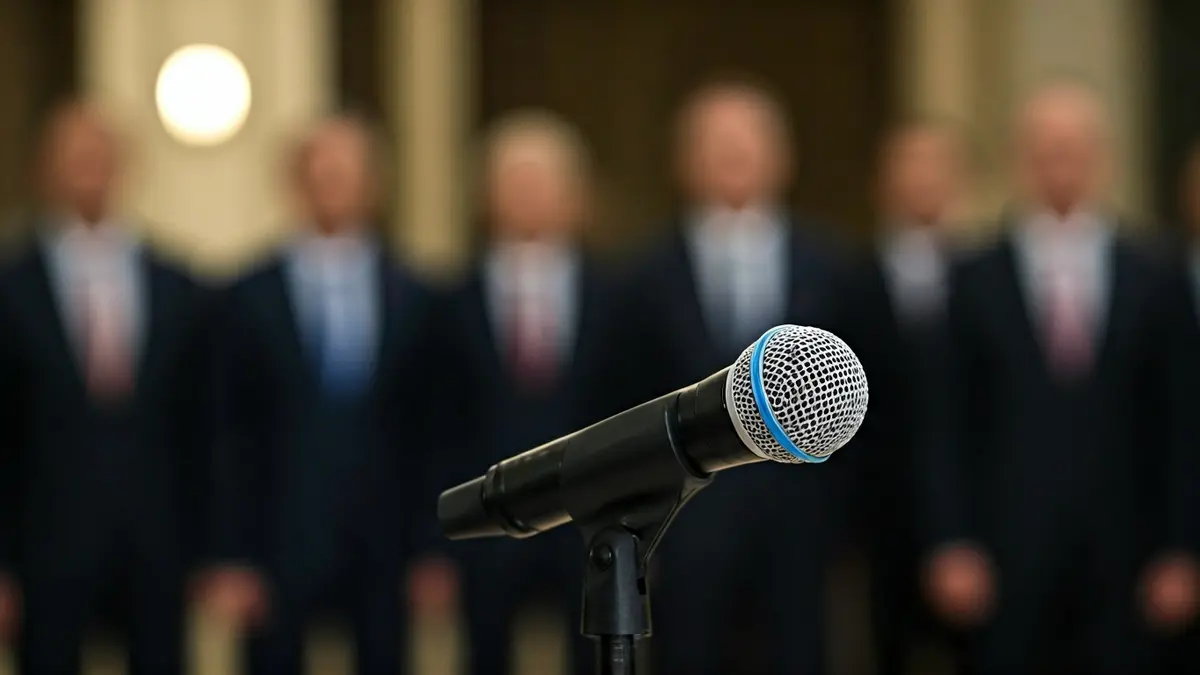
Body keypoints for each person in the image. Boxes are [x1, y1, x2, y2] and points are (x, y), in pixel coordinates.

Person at [920, 81, 1198, 674]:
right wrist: (951, 543)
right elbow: (945, 423)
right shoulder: (971, 279)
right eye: (1047, 149)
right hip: (1004, 553)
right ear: (1021, 159)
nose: (1061, 164)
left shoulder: (1155, 274)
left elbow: (1179, 421)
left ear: (1103, 157)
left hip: (1128, 556)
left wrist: (1183, 548)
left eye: (1075, 148)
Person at [602, 76, 845, 675]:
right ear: (683, 161)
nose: (735, 154)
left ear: (784, 156)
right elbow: (620, 407)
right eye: (717, 141)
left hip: (799, 529)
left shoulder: (835, 268)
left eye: (749, 139)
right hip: (687, 532)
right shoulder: (639, 279)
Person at [202, 113, 441, 675]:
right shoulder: (243, 298)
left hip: (387, 543)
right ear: (294, 182)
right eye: (320, 172)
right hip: (276, 541)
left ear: (373, 185)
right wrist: (229, 555)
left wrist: (436, 548)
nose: (333, 186)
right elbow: (224, 434)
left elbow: (432, 432)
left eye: (347, 173)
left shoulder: (418, 295)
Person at [0, 101, 213, 675]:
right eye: (74, 155)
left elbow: (202, 429)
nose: (89, 167)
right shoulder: (10, 285)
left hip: (158, 547)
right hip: (44, 549)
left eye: (101, 155)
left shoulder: (178, 284)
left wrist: (213, 550)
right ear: (43, 167)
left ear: (125, 166)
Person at [426, 109, 611, 675]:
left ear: (575, 194)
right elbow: (432, 429)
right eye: (514, 180)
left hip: (591, 525)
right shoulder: (446, 303)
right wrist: (435, 545)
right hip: (486, 526)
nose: (529, 194)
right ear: (486, 194)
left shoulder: (620, 297)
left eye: (543, 181)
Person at [838, 118, 969, 675]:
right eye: (907, 166)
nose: (922, 180)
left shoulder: (990, 281)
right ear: (880, 181)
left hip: (973, 517)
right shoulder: (845, 283)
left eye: (936, 167)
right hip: (875, 513)